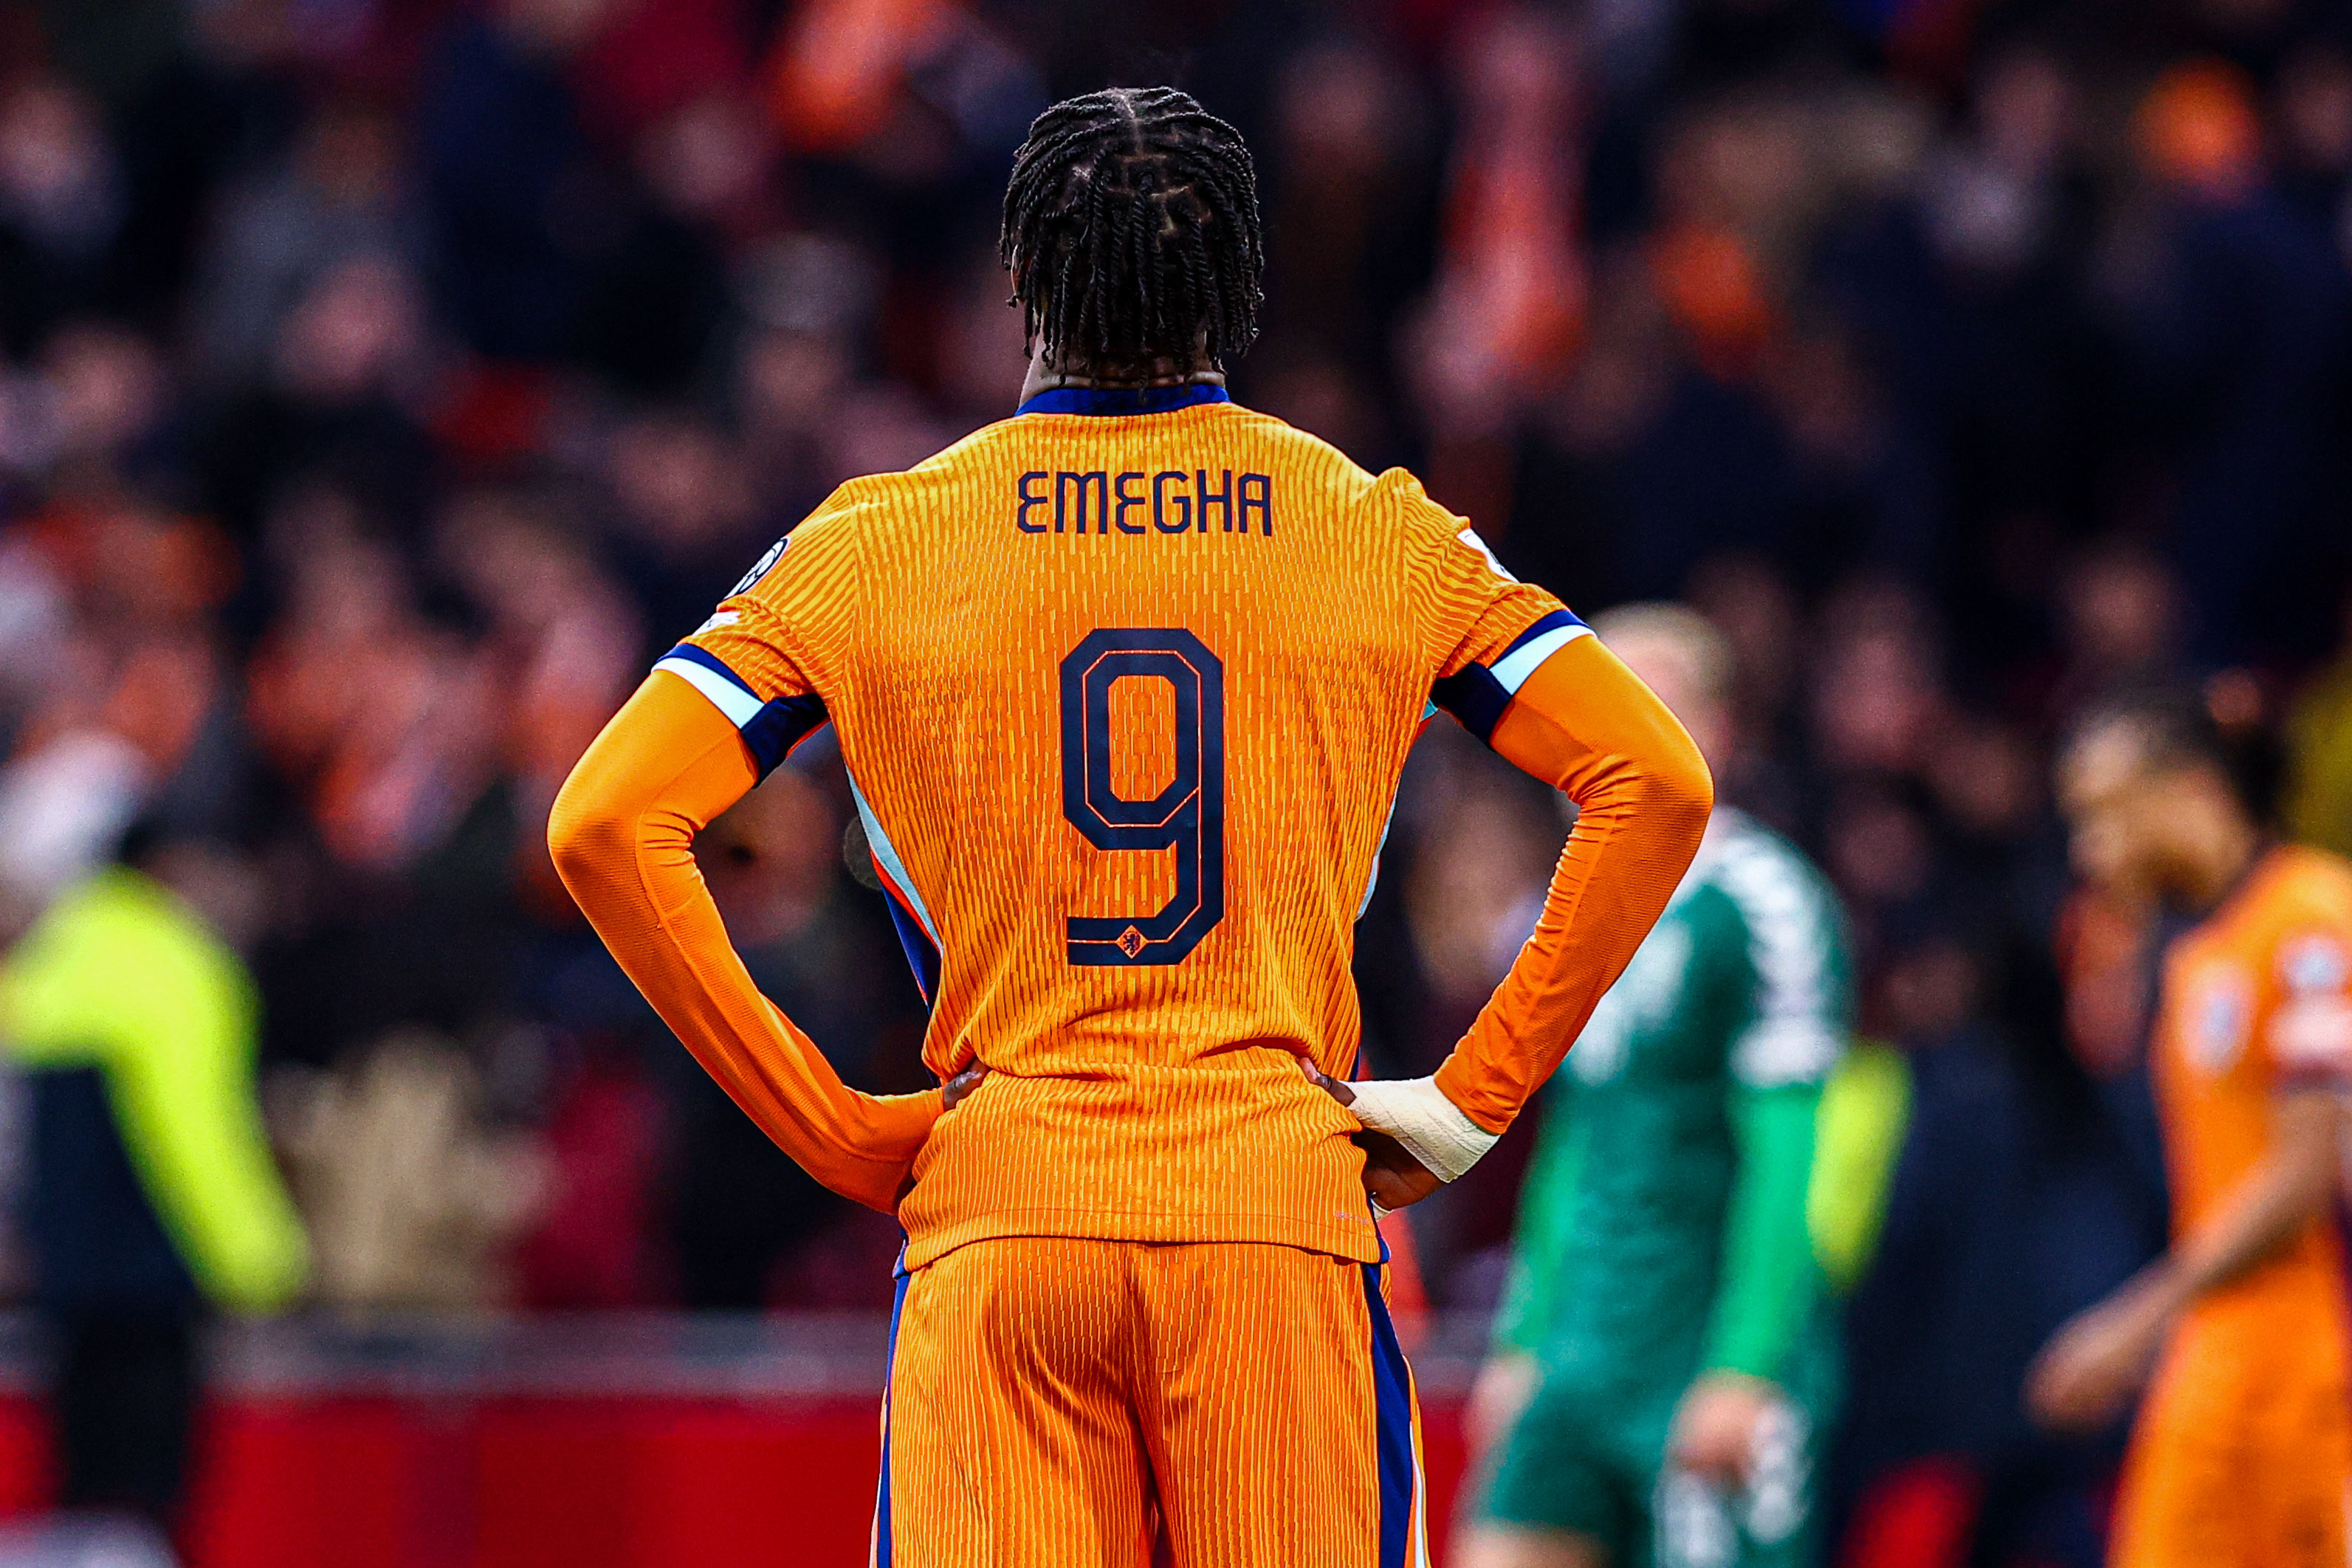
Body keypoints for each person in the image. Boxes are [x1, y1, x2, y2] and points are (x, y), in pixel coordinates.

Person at [549, 86, 1712, 1567]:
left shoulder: (873, 541)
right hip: (1273, 1210)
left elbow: (604, 822)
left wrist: (828, 1124)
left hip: (1006, 1209)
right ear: (1241, 285)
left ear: (1021, 277)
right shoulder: (1376, 527)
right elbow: (1655, 779)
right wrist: (1475, 1098)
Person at [1457, 604, 1853, 1568]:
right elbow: (1573, 1144)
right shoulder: (1566, 911)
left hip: (1694, 1352)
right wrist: (1522, 1339)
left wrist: (1742, 1366)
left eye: (1647, 710)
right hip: (1579, 1351)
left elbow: (1788, 1156)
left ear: (1714, 732)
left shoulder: (1762, 903)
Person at [2028, 689, 2352, 1568]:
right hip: (2220, 1352)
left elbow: (2304, 1174)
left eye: (2105, 813)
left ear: (2192, 787)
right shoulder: (2196, 953)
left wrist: (2135, 1323)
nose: (2090, 849)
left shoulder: (2312, 921)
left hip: (2306, 1364)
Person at [0, 828, 310, 1533]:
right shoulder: (177, 965)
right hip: (153, 1279)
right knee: (150, 1498)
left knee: (83, 1496)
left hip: (64, 1284)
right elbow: (197, 1135)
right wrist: (263, 1264)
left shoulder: (58, 954)